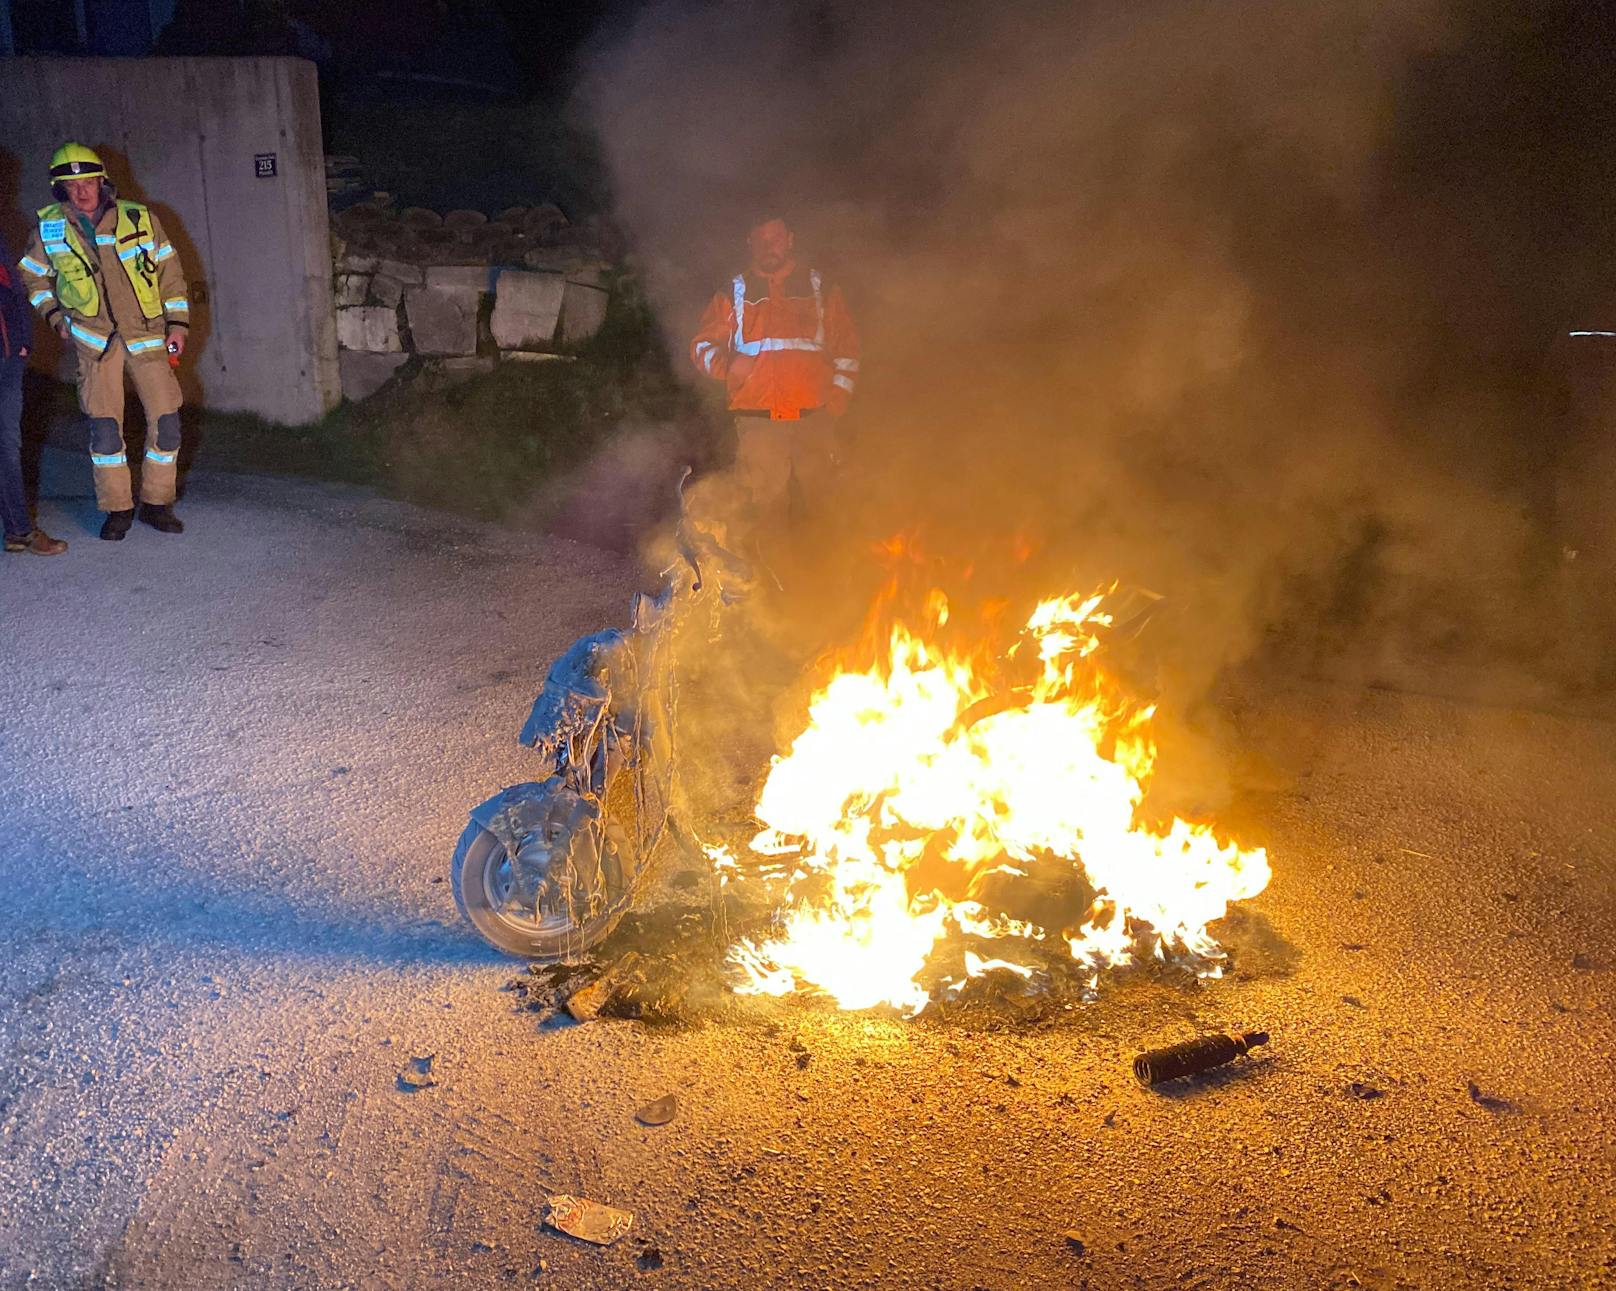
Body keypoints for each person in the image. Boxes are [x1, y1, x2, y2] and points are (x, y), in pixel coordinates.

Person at [18, 143, 191, 541]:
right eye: (71, 184)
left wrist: (178, 324)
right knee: (105, 432)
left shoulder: (140, 218)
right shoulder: (49, 227)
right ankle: (117, 510)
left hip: (147, 336)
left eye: (88, 181)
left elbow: (170, 271)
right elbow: (32, 276)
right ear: (60, 188)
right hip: (93, 342)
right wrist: (55, 316)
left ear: (102, 180)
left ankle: (156, 503)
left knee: (167, 424)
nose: (81, 191)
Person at [689, 213, 860, 523]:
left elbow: (847, 347)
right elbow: (701, 347)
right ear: (750, 243)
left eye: (776, 239)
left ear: (790, 240)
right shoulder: (733, 291)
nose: (770, 247)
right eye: (761, 240)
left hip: (816, 419)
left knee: (828, 504)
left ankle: (832, 567)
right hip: (759, 423)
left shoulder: (818, 285)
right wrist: (727, 367)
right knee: (764, 509)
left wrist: (838, 397)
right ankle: (770, 570)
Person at [1, 231, 66, 556]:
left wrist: (24, 342)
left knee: (7, 444)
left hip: (7, 357)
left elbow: (13, 289)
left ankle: (18, 530)